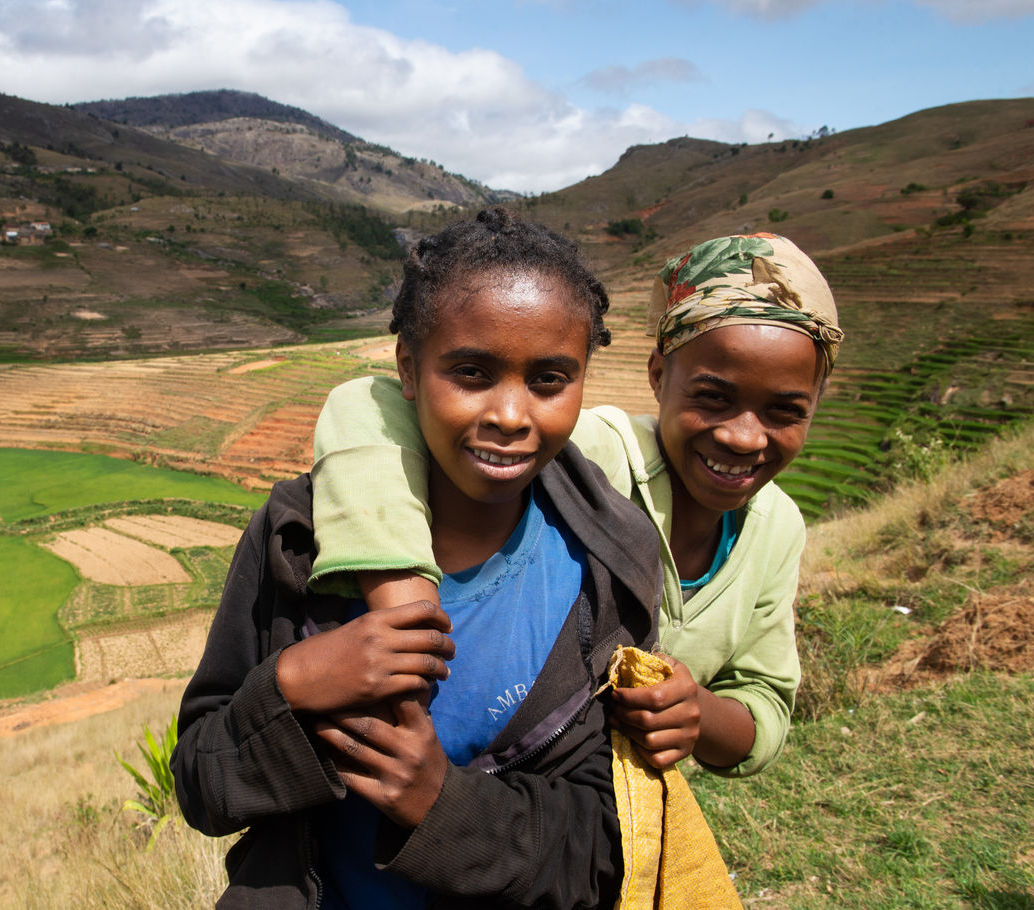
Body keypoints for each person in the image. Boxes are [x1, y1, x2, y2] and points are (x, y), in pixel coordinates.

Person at [172, 207, 663, 909]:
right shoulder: (297, 540)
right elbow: (201, 786)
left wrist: (443, 805)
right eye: (471, 372)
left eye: (550, 380)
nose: (511, 415)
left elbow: (603, 852)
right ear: (408, 367)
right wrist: (291, 686)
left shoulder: (607, 569)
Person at [309, 232, 842, 776]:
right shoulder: (598, 454)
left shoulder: (777, 528)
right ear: (659, 376)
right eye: (713, 397)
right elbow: (363, 405)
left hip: (602, 821)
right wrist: (407, 615)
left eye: (784, 411)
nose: (744, 438)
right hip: (502, 780)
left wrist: (697, 713)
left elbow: (765, 703)